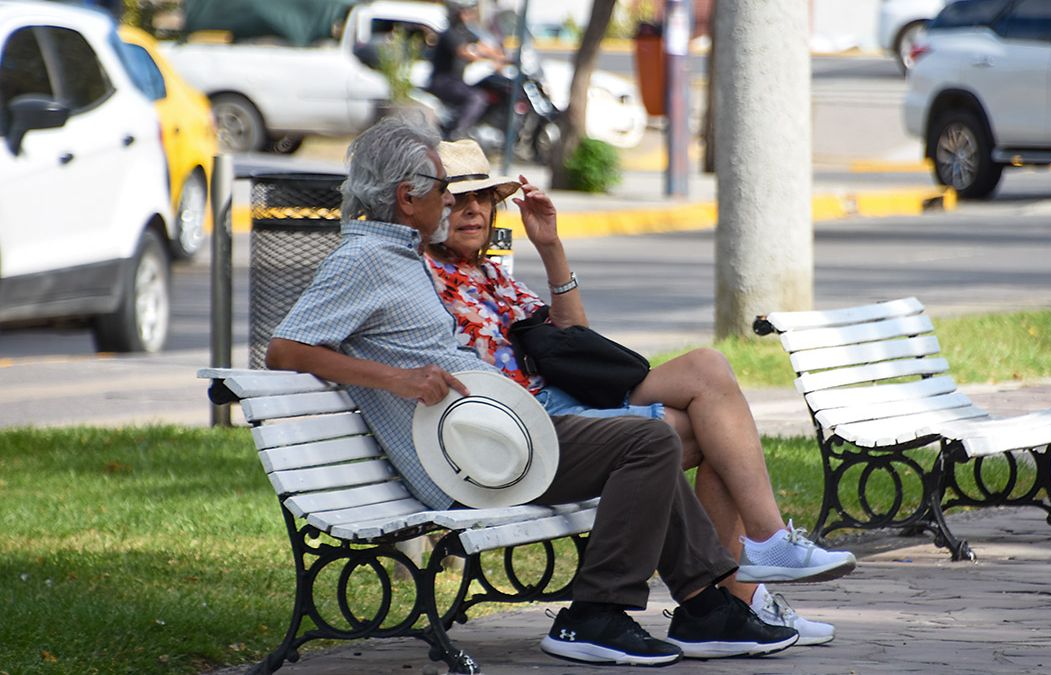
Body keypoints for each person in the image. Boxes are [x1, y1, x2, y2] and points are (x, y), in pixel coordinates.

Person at [264, 117, 804, 666]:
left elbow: (562, 337)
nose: (453, 203)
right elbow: (284, 351)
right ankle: (598, 615)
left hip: (491, 437)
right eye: (444, 188)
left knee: (649, 441)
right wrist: (398, 380)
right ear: (408, 197)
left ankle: (703, 608)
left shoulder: (400, 256)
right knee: (646, 443)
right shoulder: (364, 260)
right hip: (464, 458)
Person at [425, 139, 856, 645]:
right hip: (527, 424)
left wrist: (551, 248)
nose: (473, 209)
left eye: (483, 198)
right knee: (713, 435)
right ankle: (739, 593)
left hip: (568, 398)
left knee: (709, 370)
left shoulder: (490, 274)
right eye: (458, 199)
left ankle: (750, 575)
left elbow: (572, 341)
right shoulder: (423, 274)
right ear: (431, 206)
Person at [427, 0, 504, 140]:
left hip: (456, 81)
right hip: (443, 81)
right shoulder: (449, 33)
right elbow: (462, 52)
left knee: (488, 89)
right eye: (465, 11)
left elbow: (482, 45)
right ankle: (458, 133)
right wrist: (487, 59)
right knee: (477, 98)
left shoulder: (465, 31)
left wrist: (500, 56)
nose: (469, 15)